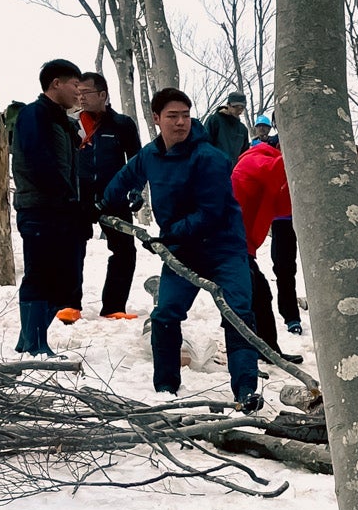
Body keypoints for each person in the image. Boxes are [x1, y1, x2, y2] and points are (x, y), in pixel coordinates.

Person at [103, 88, 262, 407]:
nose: (180, 123)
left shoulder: (211, 158)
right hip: (182, 252)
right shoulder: (150, 155)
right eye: (172, 116)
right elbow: (124, 178)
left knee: (238, 314)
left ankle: (245, 390)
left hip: (223, 249)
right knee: (165, 315)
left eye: (185, 116)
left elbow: (210, 212)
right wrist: (106, 201)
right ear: (157, 119)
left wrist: (167, 237)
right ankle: (165, 387)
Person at [11, 57, 92, 355]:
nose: (78, 93)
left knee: (64, 279)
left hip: (63, 211)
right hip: (40, 209)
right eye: (74, 85)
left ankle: (30, 338)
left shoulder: (64, 122)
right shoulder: (34, 115)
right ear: (55, 83)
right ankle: (33, 343)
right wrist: (66, 198)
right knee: (39, 273)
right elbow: (38, 161)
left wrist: (80, 206)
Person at [74, 73, 142, 320]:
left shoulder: (122, 124)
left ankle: (114, 307)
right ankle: (71, 305)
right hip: (79, 199)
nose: (80, 97)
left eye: (86, 93)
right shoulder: (73, 123)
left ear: (103, 95)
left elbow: (136, 161)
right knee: (73, 249)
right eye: (78, 92)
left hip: (114, 197)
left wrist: (135, 190)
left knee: (124, 251)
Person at [229, 133, 297, 355]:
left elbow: (282, 209)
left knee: (259, 294)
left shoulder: (270, 166)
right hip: (228, 241)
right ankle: (249, 352)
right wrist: (298, 156)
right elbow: (275, 169)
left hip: (242, 243)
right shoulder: (256, 158)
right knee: (246, 298)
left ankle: (266, 349)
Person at [252, 119, 302, 335]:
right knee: (284, 268)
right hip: (283, 219)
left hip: (313, 217)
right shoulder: (265, 147)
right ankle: (291, 316)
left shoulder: (313, 143)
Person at [202, 92, 251, 162]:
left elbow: (244, 154)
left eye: (242, 108)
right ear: (228, 105)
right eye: (236, 107)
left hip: (235, 170)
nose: (239, 110)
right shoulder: (215, 120)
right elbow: (204, 145)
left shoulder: (243, 129)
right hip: (214, 168)